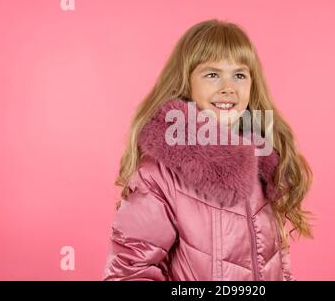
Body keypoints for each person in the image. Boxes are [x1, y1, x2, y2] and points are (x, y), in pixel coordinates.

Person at [103, 19, 313, 281]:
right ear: (186, 82)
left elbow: (278, 267)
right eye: (212, 75)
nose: (228, 88)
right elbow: (129, 273)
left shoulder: (264, 163)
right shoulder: (159, 173)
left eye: (239, 75)